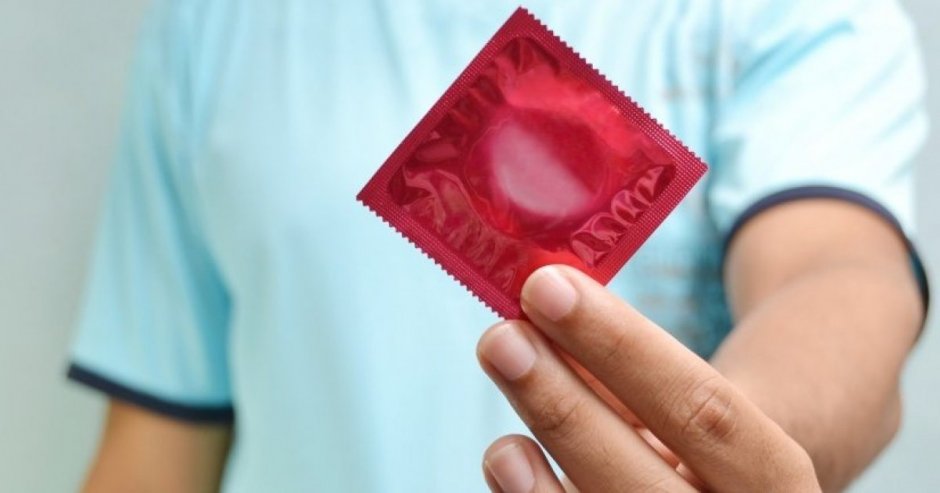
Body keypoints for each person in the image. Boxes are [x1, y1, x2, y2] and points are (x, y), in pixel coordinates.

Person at [67, 0, 929, 491]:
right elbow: (157, 443)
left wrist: (715, 448)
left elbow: (835, 276)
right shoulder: (214, 25)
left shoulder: (793, 14)